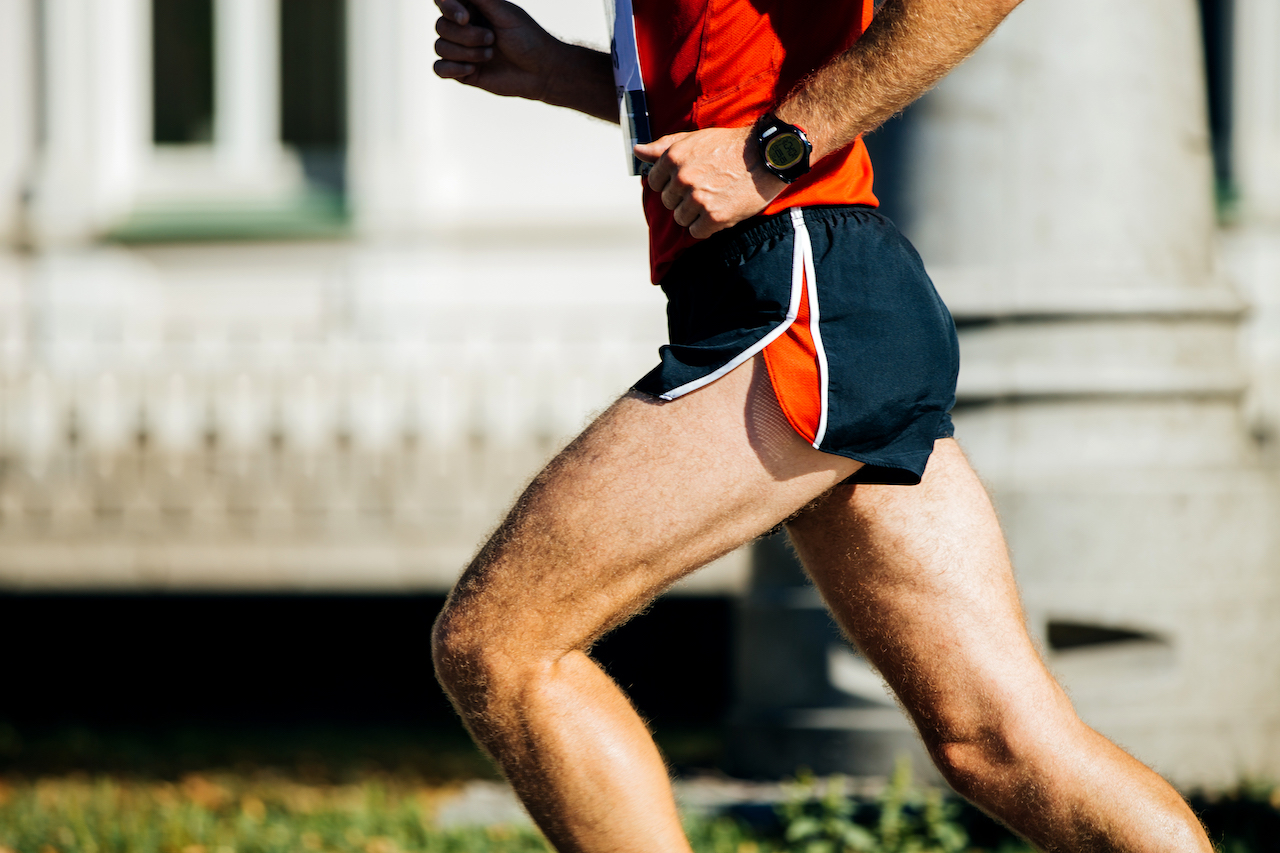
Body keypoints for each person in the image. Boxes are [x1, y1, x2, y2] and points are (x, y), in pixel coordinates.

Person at [429, 0, 1214, 849]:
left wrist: (778, 147)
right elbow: (725, 91)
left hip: (800, 291)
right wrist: (554, 71)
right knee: (997, 742)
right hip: (819, 295)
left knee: (500, 644)